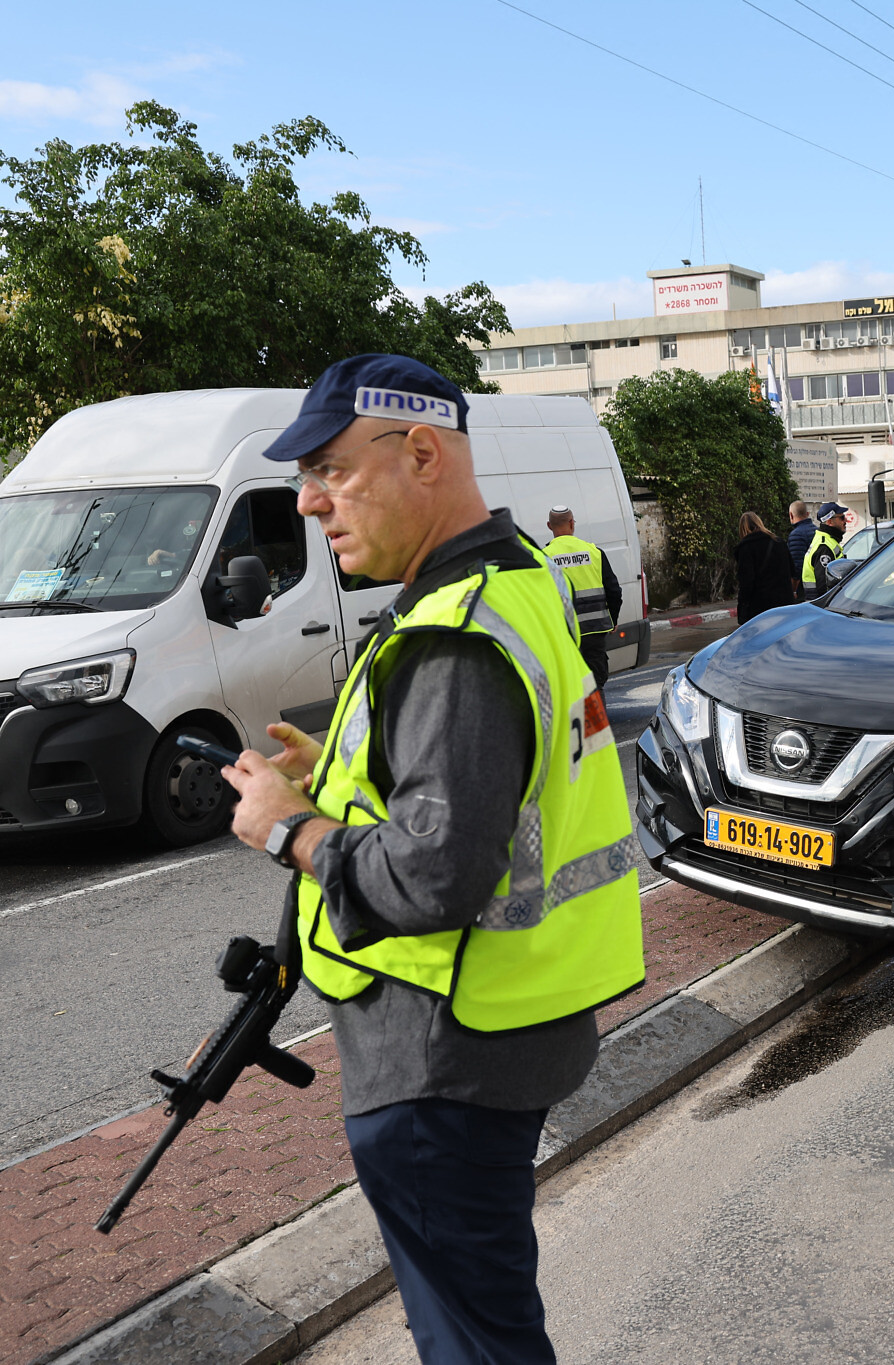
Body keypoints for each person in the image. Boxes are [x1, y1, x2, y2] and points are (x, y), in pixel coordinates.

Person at [218, 354, 642, 1365]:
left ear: (419, 451)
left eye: (330, 470)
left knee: (475, 1341)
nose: (312, 504)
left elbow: (435, 877)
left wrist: (288, 828)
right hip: (505, 1027)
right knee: (479, 1315)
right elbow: (490, 782)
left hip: (443, 1060)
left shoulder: (452, 636)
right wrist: (345, 770)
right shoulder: (516, 580)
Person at [542, 506, 622, 690]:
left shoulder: (544, 557)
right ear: (572, 523)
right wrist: (613, 620)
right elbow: (614, 591)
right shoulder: (594, 552)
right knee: (595, 683)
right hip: (594, 631)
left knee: (570, 686)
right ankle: (597, 718)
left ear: (549, 526)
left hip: (564, 635)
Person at [733, 510, 797, 623]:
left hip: (760, 609)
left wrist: (743, 607)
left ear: (742, 529)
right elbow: (793, 573)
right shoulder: (779, 542)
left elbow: (746, 582)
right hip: (784, 604)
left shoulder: (746, 548)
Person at [801, 502, 849, 599]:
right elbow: (823, 587)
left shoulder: (827, 540)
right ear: (830, 522)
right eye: (842, 517)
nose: (846, 520)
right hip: (822, 605)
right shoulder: (824, 547)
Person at [786, 501, 815, 594]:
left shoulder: (796, 535)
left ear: (791, 515)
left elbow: (797, 567)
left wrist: (793, 590)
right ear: (807, 514)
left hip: (803, 588)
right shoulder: (817, 530)